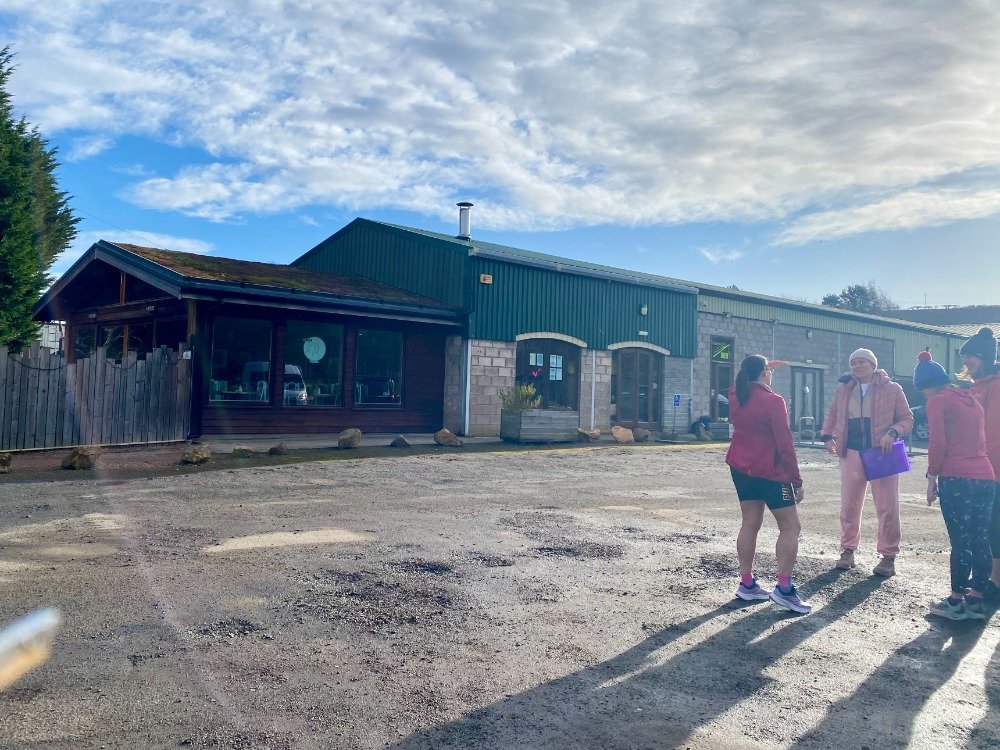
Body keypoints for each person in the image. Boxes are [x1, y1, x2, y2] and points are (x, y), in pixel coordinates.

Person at [725, 355, 811, 614]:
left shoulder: (735, 395)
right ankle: (784, 589)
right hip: (771, 471)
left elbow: (746, 383)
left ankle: (747, 583)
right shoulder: (774, 401)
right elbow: (785, 443)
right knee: (791, 526)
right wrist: (796, 480)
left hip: (741, 467)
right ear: (764, 372)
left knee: (750, 523)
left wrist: (761, 371)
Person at [915, 351, 995, 621]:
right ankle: (975, 600)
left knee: (960, 540)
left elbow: (937, 443)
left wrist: (931, 477)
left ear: (926, 386)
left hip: (956, 475)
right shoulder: (971, 398)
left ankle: (955, 601)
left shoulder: (937, 401)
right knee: (980, 536)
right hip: (985, 475)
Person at [820, 348, 913, 577]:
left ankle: (888, 556)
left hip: (881, 452)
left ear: (873, 364)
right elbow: (832, 413)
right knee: (849, 505)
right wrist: (826, 435)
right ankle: (848, 550)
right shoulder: (844, 389)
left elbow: (907, 418)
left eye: (861, 362)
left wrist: (892, 432)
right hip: (850, 452)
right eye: (853, 363)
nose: (857, 366)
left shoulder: (892, 389)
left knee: (887, 506)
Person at [959, 327, 1000, 599]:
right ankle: (987, 579)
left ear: (984, 358)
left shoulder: (995, 386)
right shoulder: (974, 387)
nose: (966, 366)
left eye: (970, 361)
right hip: (978, 467)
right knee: (983, 525)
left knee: (993, 524)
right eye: (964, 362)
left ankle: (993, 582)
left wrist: (983, 469)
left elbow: (993, 431)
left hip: (992, 469)